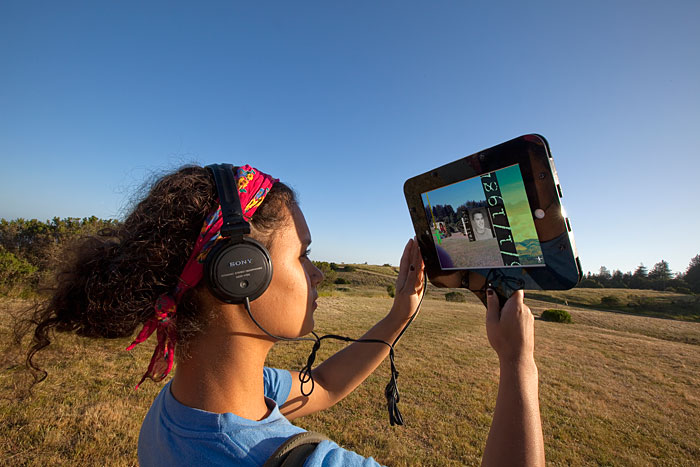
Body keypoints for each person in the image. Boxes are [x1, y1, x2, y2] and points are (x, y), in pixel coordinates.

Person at [25, 164, 544, 466]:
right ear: (238, 273)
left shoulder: (177, 409)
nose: (316, 274)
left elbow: (319, 385)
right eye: (302, 255)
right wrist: (518, 365)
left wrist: (398, 315)